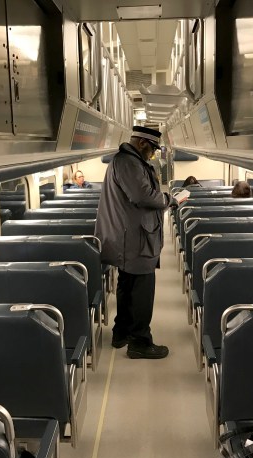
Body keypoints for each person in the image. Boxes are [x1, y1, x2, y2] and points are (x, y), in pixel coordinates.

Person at [95, 125, 181, 360]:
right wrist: (168, 199)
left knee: (128, 285)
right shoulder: (129, 162)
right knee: (142, 291)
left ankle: (121, 333)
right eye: (152, 150)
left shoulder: (126, 161)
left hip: (130, 237)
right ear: (143, 143)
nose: (152, 155)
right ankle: (140, 342)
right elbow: (141, 196)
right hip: (135, 239)